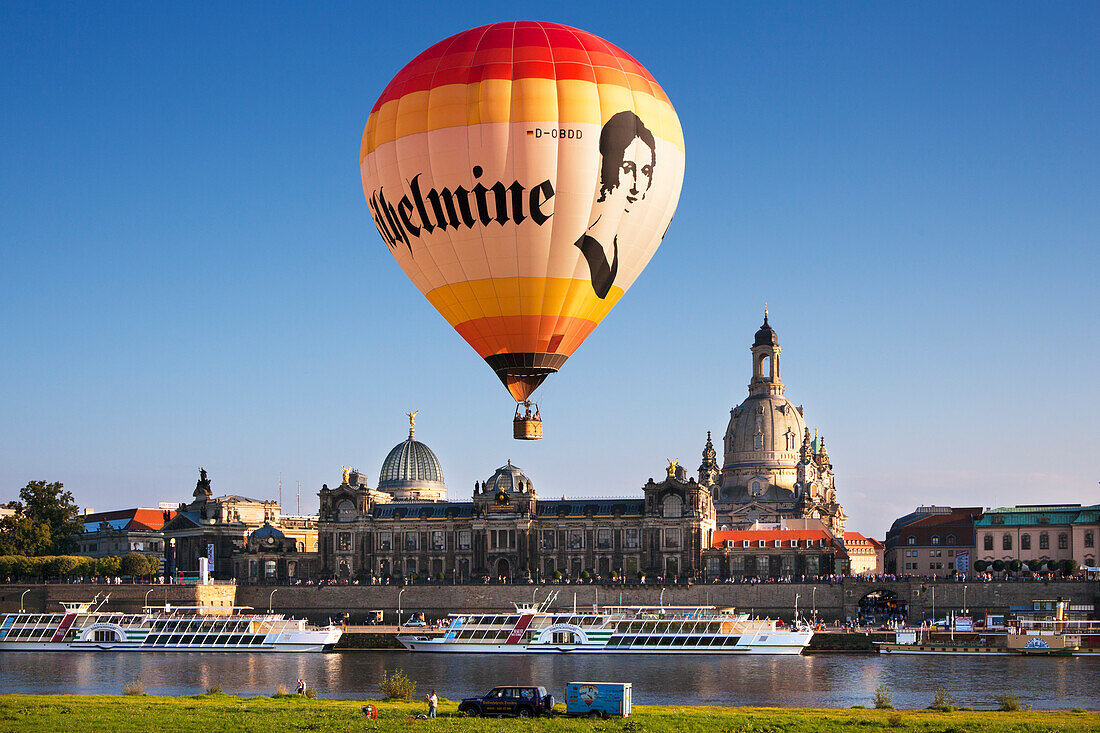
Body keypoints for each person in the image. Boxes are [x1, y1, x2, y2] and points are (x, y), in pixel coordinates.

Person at [573, 109, 657, 299]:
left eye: (645, 171)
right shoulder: (579, 247)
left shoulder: (617, 247)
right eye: (628, 168)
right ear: (608, 167)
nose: (635, 185)